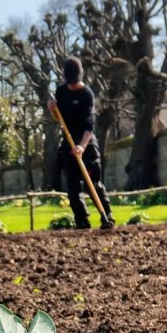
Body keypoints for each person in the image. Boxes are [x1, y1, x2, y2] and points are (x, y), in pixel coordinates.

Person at [48, 57, 115, 230]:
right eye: (69, 82)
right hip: (69, 144)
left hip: (86, 143)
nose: (71, 86)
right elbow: (59, 119)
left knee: (94, 184)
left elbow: (89, 126)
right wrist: (53, 110)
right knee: (72, 187)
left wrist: (82, 147)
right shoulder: (61, 91)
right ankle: (82, 222)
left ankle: (107, 217)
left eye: (74, 83)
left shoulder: (87, 95)